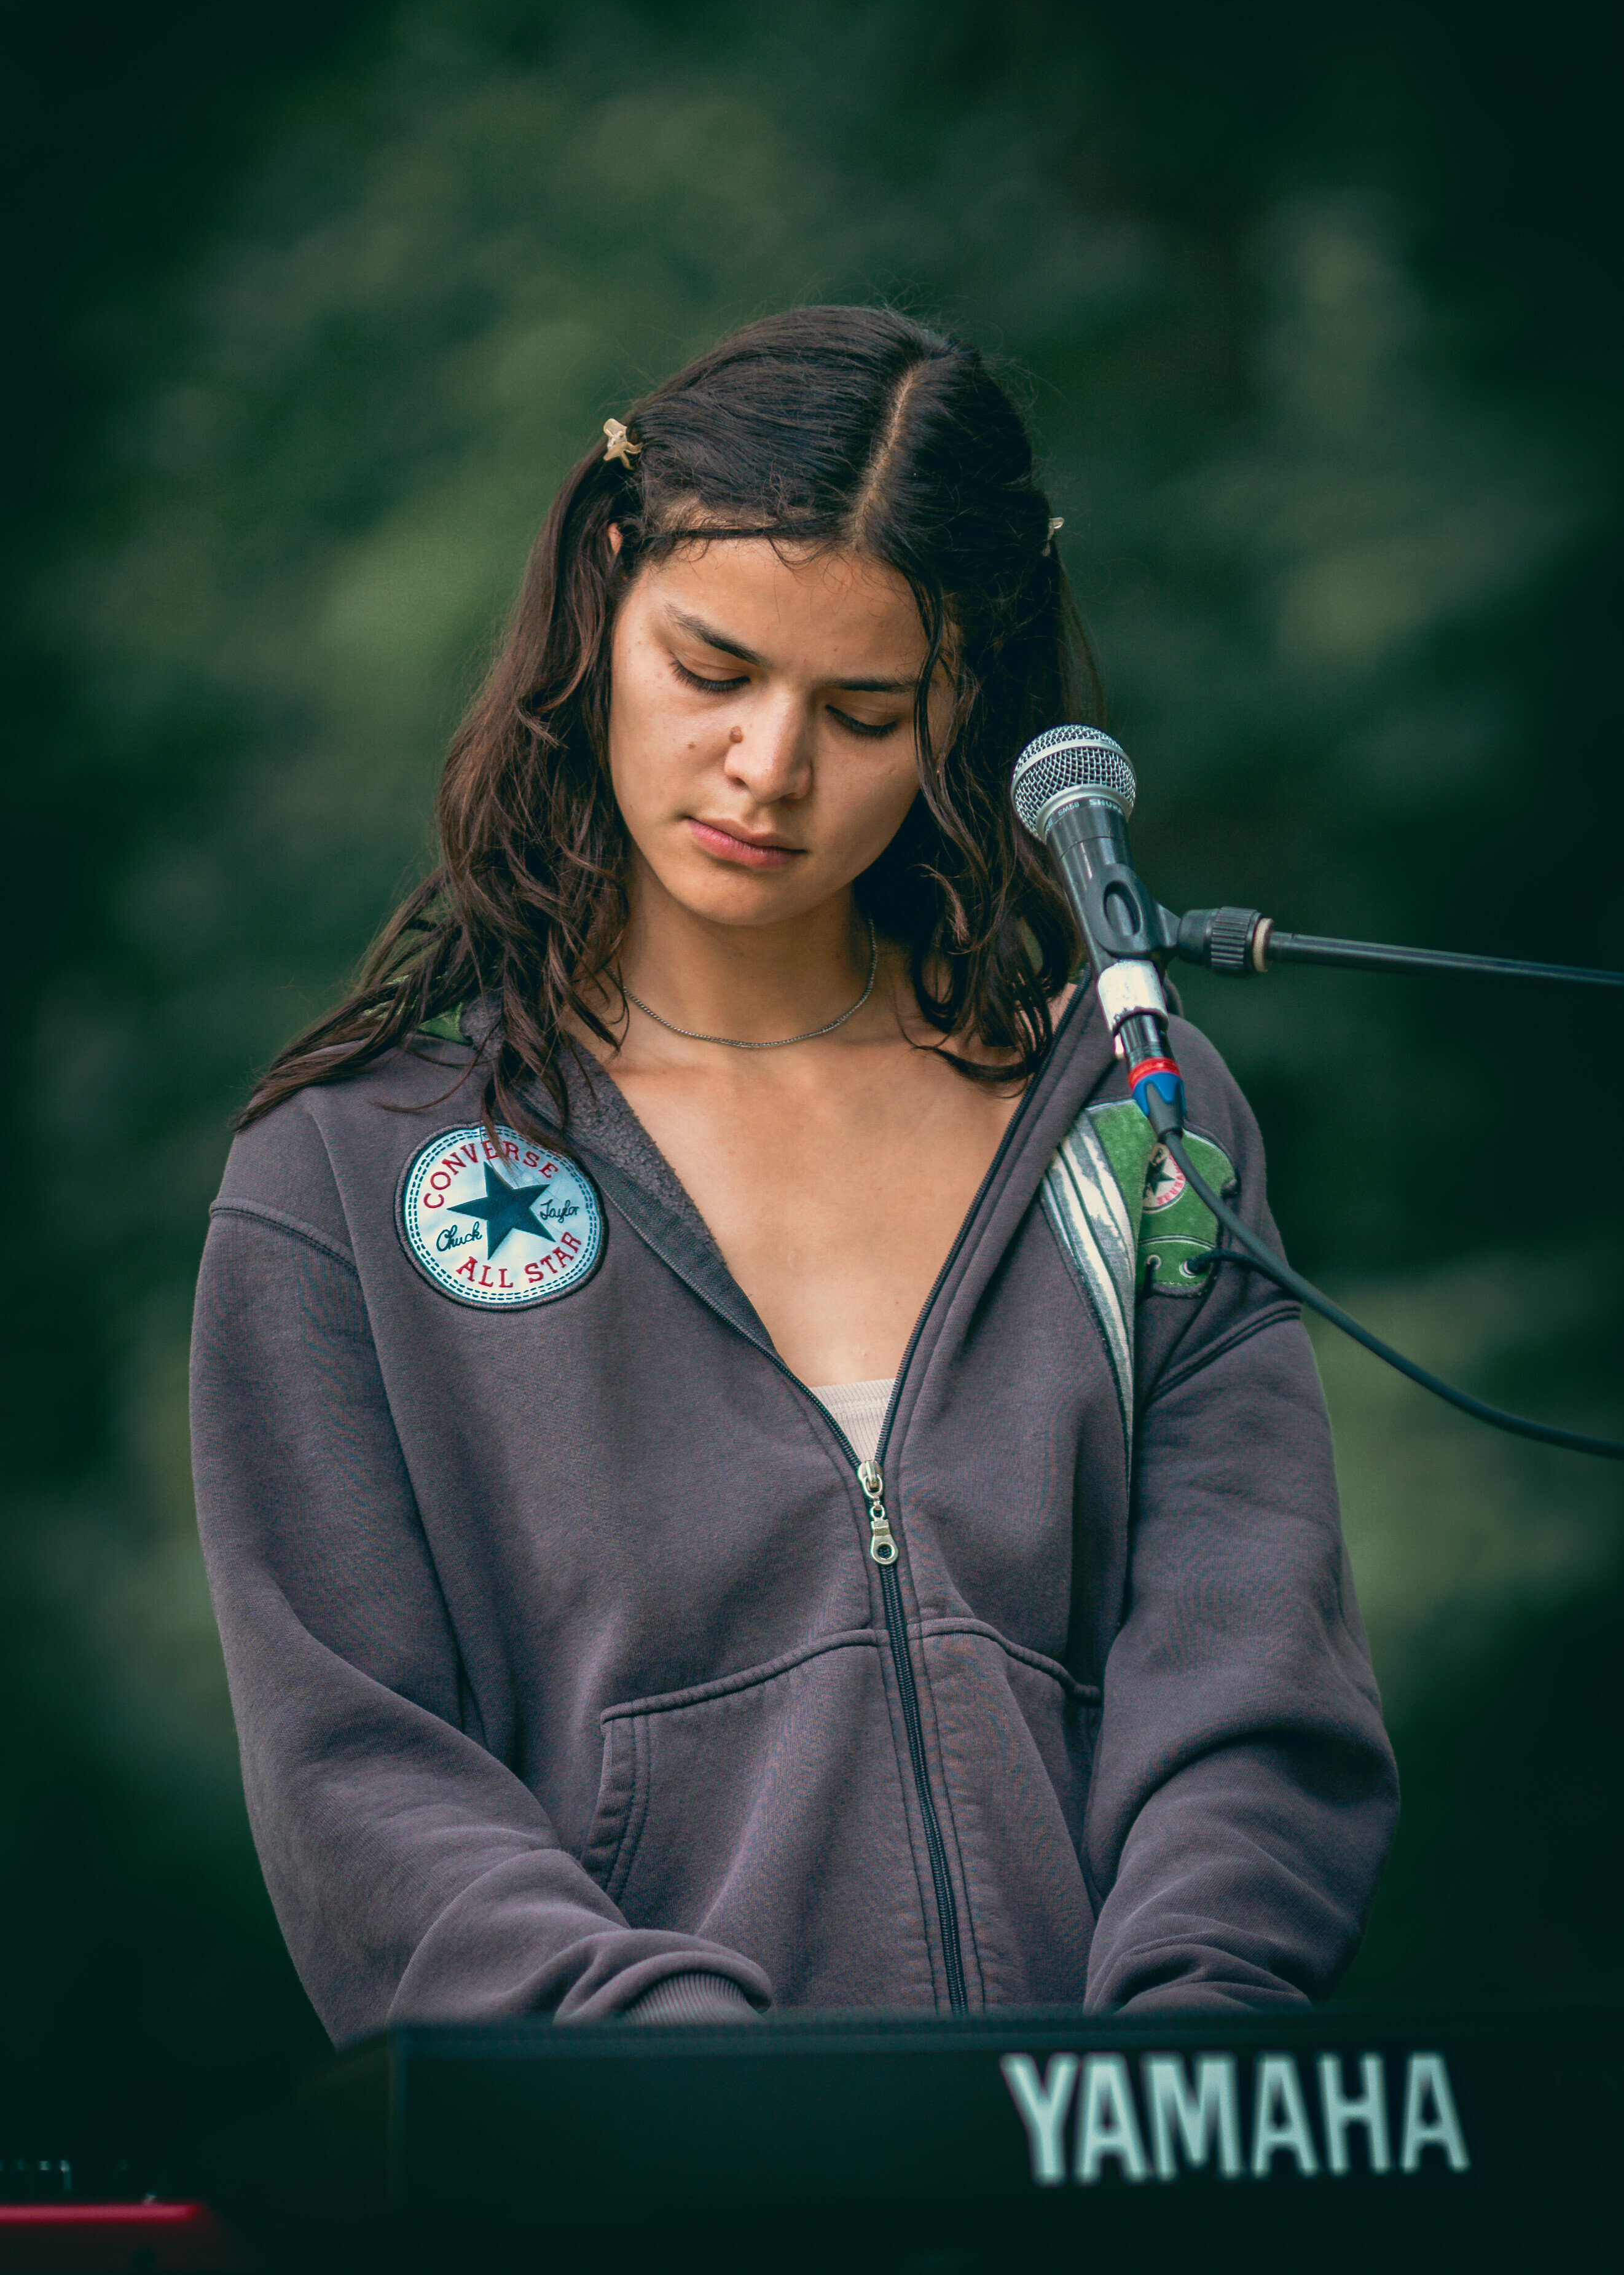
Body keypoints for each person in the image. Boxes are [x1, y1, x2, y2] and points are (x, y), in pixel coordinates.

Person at [190, 306, 1396, 2045]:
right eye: (713, 670)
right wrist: (685, 2077)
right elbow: (358, 1772)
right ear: (600, 605)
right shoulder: (345, 1174)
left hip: (1107, 2183)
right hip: (634, 2185)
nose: (770, 768)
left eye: (861, 708)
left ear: (957, 708)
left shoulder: (1131, 1114)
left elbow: (1248, 1681)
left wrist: (1175, 2067)